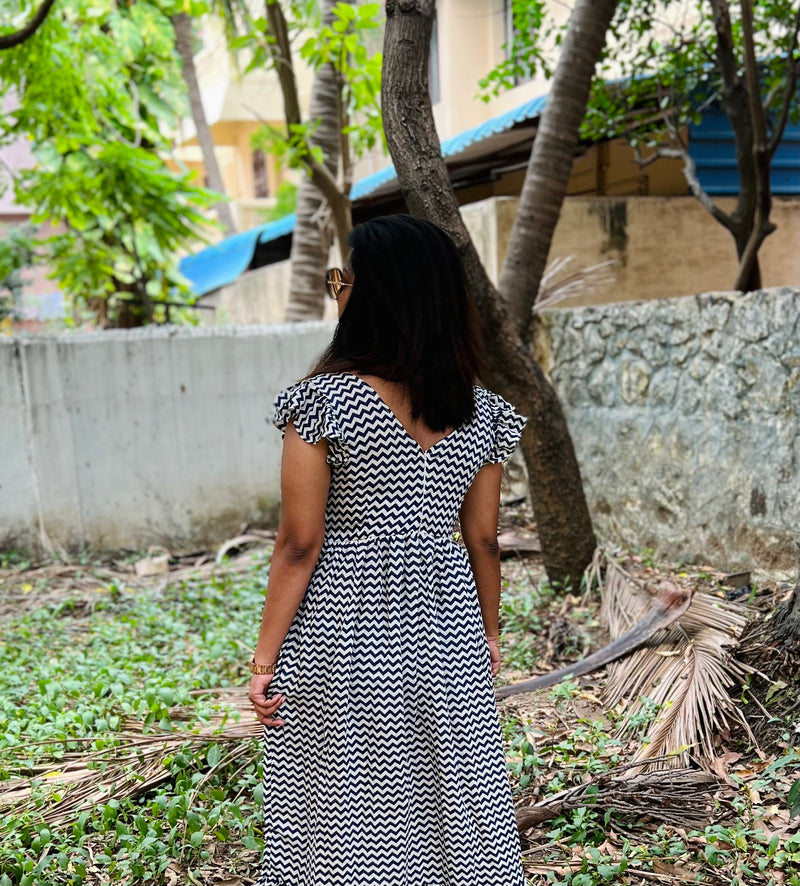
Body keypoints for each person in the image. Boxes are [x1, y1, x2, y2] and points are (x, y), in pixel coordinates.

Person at [248, 215, 527, 886]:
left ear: (371, 295)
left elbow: (298, 544)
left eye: (344, 280)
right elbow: (483, 538)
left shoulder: (320, 403)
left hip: (342, 625)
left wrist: (263, 660)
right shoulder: (481, 409)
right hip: (447, 622)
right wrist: (489, 631)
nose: (337, 289)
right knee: (452, 786)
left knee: (343, 793)